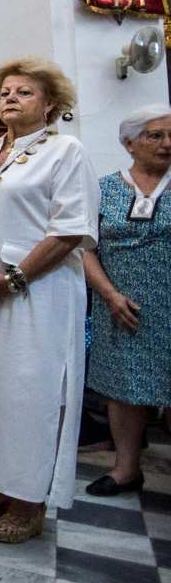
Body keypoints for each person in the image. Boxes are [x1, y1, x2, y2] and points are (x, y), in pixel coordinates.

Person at [0, 58, 96, 544]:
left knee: (31, 392)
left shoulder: (64, 151)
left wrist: (14, 278)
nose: (10, 97)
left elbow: (70, 230)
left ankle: (30, 498)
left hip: (37, 294)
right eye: (5, 90)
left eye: (24, 92)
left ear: (51, 104)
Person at [81, 103, 171, 496]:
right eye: (156, 135)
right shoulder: (103, 188)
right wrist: (110, 296)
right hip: (120, 307)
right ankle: (126, 468)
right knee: (124, 387)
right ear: (129, 143)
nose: (167, 143)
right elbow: (83, 248)